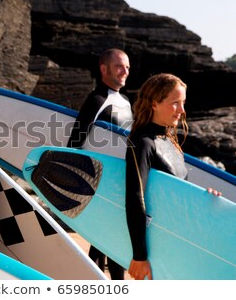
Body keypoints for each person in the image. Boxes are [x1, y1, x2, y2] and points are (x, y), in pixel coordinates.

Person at [125, 73, 221, 280]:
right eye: (175, 103)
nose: (182, 111)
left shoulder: (170, 140)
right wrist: (139, 256)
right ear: (154, 103)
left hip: (179, 236)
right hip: (159, 243)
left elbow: (178, 192)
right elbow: (135, 198)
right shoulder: (142, 142)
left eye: (183, 103)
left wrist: (203, 197)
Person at [67, 48, 132, 279]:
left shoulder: (125, 101)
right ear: (104, 69)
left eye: (127, 67)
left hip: (118, 183)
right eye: (119, 66)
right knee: (108, 240)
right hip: (98, 184)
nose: (125, 71)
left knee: (106, 243)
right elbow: (75, 142)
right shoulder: (97, 100)